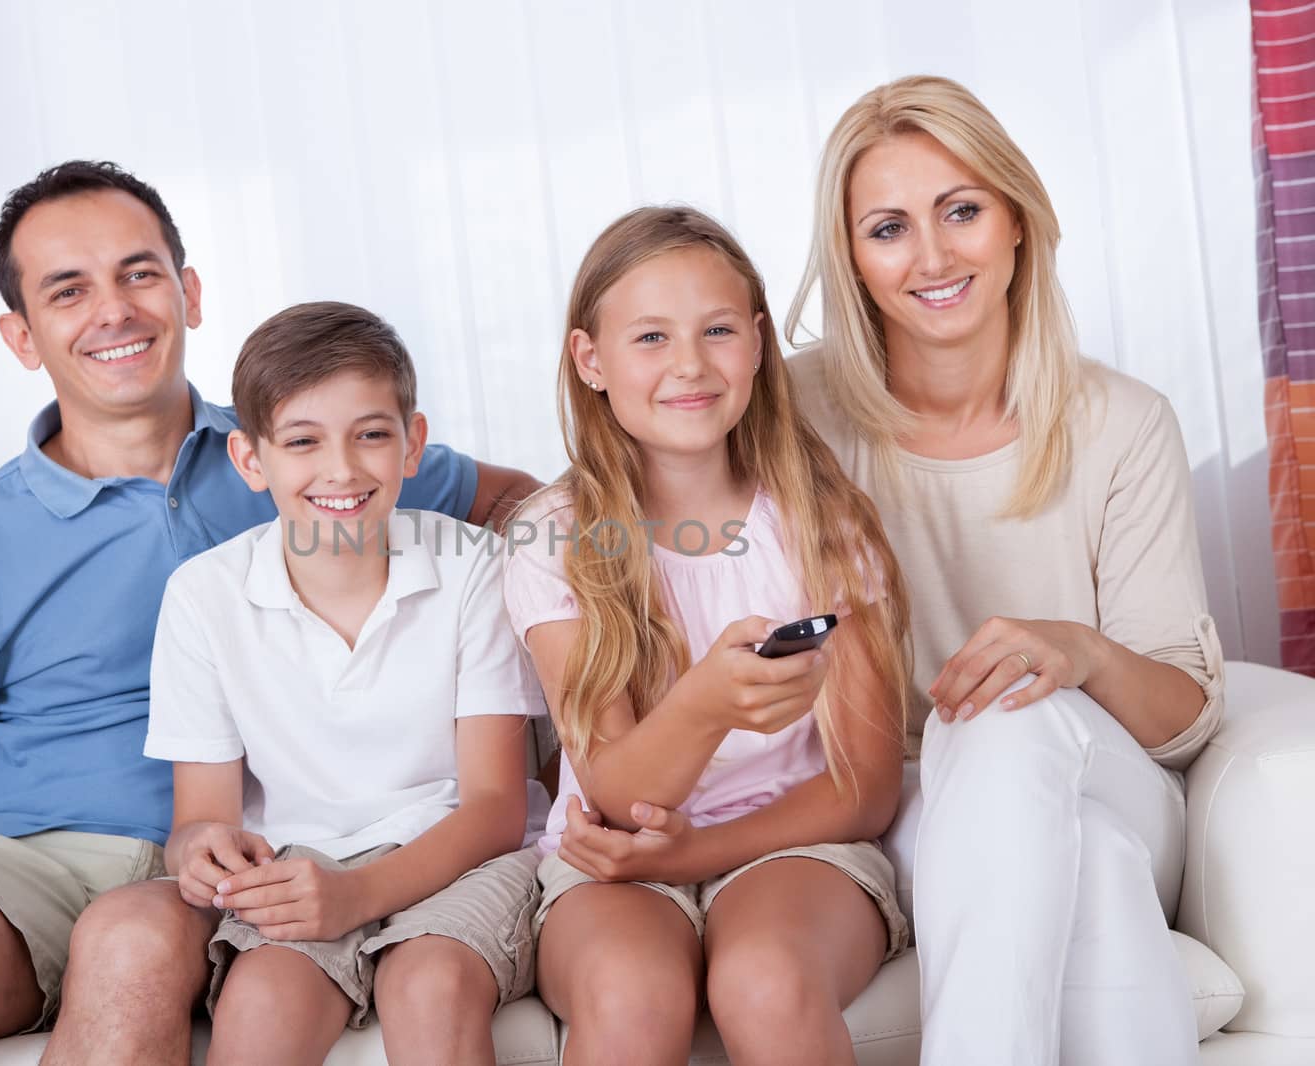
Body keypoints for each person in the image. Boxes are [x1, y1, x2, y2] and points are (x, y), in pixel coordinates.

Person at [0, 161, 539, 1065]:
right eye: (69, 289)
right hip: (33, 860)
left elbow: (517, 503)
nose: (114, 310)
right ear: (21, 334)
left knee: (134, 943)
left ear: (188, 293)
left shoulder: (310, 456)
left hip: (235, 866)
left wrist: (591, 627)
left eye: (139, 272)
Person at [783, 76, 1225, 1065]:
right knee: (1095, 877)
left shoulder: (1121, 422)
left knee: (1011, 714)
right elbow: (629, 486)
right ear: (851, 259)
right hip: (910, 808)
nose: (933, 256)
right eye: (888, 227)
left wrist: (1075, 652)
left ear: (1017, 221)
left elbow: (1185, 717)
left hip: (1107, 778)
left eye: (961, 210)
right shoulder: (795, 415)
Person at [53, 300, 549, 1066]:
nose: (342, 470)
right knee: (260, 1005)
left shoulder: (473, 566)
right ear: (251, 460)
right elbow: (198, 820)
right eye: (303, 442)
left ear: (413, 444)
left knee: (431, 985)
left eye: (372, 435)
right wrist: (205, 850)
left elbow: (494, 807)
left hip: (461, 857)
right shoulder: (203, 595)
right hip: (301, 866)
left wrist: (358, 895)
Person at [504, 206, 912, 1066]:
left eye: (718, 330)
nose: (690, 364)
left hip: (800, 842)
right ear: (591, 361)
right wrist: (703, 704)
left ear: (758, 344)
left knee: (765, 978)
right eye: (650, 337)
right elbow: (615, 796)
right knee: (630, 993)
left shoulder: (824, 522)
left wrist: (698, 851)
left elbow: (864, 788)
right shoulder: (555, 534)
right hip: (609, 858)